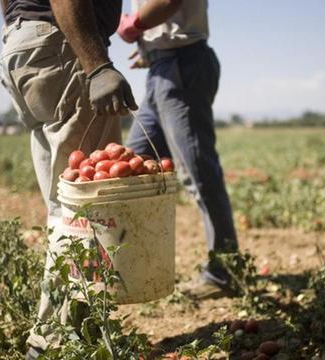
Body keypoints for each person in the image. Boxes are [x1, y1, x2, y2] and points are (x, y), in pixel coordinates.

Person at [0, 0, 137, 357]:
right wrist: (98, 65)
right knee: (85, 213)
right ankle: (52, 345)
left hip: (23, 45)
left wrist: (27, 30)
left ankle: (75, 334)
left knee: (65, 210)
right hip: (62, 45)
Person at [117, 0, 239, 299]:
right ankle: (136, 267)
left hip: (183, 64)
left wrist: (133, 25)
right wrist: (152, 48)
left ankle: (223, 272)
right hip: (163, 66)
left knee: (198, 173)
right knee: (132, 166)